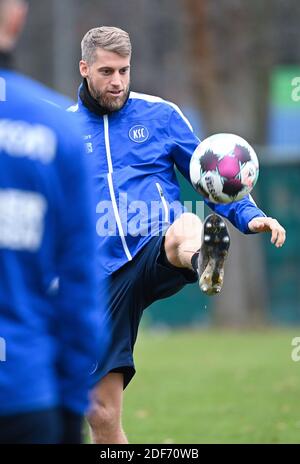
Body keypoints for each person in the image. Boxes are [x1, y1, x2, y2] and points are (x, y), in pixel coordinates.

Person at [70, 26, 286, 444]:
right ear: (84, 68)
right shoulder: (63, 131)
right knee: (100, 413)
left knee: (186, 225)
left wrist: (249, 215)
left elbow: (210, 173)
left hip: (157, 248)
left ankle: (205, 262)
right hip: (99, 275)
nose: (117, 81)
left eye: (124, 71)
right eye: (107, 71)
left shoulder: (161, 115)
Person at [0, 0, 107, 443]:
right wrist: (68, 404)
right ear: (17, 16)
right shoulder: (54, 130)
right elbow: (79, 287)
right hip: (24, 397)